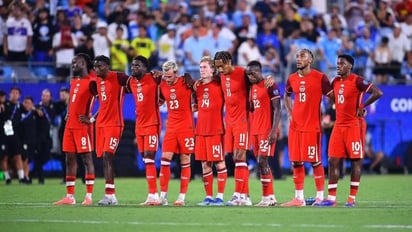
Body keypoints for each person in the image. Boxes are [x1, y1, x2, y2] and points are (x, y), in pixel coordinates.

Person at [316, 54, 383, 207]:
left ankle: (351, 199)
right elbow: (333, 99)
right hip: (338, 126)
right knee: (333, 160)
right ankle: (331, 199)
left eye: (342, 63)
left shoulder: (357, 80)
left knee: (355, 161)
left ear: (350, 66)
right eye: (337, 63)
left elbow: (378, 92)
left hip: (353, 126)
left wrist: (362, 106)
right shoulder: (335, 81)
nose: (338, 66)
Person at [281, 48, 334, 207]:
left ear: (310, 60)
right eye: (297, 56)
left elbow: (333, 97)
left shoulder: (320, 78)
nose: (298, 59)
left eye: (302, 56)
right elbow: (287, 95)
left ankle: (319, 197)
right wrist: (290, 112)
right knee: (296, 161)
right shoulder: (291, 78)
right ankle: (299, 198)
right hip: (295, 126)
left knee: (315, 161)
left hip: (312, 127)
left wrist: (330, 113)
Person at [54, 53, 97, 205]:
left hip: (82, 127)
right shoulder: (74, 81)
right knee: (69, 160)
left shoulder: (92, 82)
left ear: (84, 63)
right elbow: (73, 100)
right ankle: (70, 197)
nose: (73, 65)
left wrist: (92, 118)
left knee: (87, 159)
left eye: (76, 63)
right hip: (69, 126)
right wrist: (68, 112)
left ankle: (89, 197)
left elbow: (107, 100)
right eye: (72, 63)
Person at [85, 55, 129, 205]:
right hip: (101, 124)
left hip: (115, 124)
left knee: (107, 155)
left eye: (100, 66)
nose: (97, 69)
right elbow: (103, 105)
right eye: (95, 66)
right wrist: (92, 118)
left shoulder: (118, 77)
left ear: (107, 66)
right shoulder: (97, 81)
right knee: (104, 158)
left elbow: (136, 82)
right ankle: (109, 194)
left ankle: (111, 196)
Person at [213, 51, 251, 206]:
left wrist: (268, 79)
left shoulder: (243, 73)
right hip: (229, 122)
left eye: (222, 66)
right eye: (218, 67)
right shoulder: (220, 75)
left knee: (239, 156)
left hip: (243, 121)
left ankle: (237, 195)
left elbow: (258, 81)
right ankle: (245, 196)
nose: (220, 70)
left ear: (229, 61)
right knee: (236, 158)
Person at [158, 61, 194, 206]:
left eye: (170, 77)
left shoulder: (186, 82)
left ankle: (181, 198)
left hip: (186, 127)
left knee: (185, 160)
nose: (167, 79)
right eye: (165, 76)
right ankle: (163, 196)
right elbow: (159, 101)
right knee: (164, 160)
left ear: (176, 74)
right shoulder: (162, 85)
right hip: (171, 126)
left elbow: (200, 91)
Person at [127, 56, 161, 205]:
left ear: (145, 68)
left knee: (149, 158)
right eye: (132, 65)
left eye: (137, 65)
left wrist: (159, 102)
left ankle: (154, 195)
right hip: (139, 126)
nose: (133, 67)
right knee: (145, 160)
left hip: (152, 124)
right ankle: (152, 194)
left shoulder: (153, 78)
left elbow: (167, 89)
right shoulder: (131, 82)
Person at [246, 60, 281, 207]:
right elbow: (253, 108)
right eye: (248, 74)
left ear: (259, 71)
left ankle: (266, 198)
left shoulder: (269, 84)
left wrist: (274, 131)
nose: (250, 76)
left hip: (266, 130)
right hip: (255, 130)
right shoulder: (252, 87)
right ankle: (271, 197)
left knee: (262, 161)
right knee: (261, 164)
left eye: (253, 73)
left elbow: (278, 109)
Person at [194, 56, 227, 206]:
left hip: (215, 130)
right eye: (201, 67)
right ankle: (208, 197)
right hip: (200, 130)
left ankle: (219, 197)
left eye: (205, 67)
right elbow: (196, 105)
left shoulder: (219, 84)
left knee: (219, 163)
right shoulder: (197, 86)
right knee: (205, 165)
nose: (202, 70)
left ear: (213, 70)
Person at [0, 87, 25, 184]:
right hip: (3, 135)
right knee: (4, 157)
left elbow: (29, 109)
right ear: (9, 94)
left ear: (19, 95)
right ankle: (7, 178)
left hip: (15, 135)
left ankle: (22, 178)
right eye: (12, 93)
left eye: (16, 93)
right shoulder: (4, 104)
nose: (14, 95)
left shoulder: (20, 106)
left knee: (18, 156)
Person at [34, 89, 56, 185]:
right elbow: (28, 107)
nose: (45, 97)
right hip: (38, 137)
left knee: (47, 156)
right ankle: (40, 179)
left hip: (48, 137)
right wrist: (35, 110)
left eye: (47, 96)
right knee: (38, 157)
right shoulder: (37, 107)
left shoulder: (53, 106)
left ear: (50, 97)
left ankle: (32, 173)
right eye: (43, 95)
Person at [19, 96, 38, 184]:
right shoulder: (20, 113)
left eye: (29, 103)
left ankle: (26, 176)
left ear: (32, 104)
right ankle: (24, 177)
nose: (27, 105)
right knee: (25, 158)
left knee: (29, 159)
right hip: (23, 140)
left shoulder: (35, 114)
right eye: (25, 103)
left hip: (33, 140)